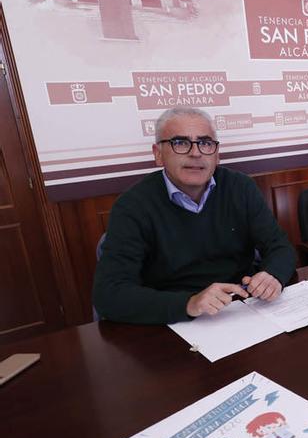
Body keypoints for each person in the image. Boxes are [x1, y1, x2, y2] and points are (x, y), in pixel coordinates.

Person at [93, 107, 296, 324]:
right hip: (173, 321)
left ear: (217, 155)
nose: (196, 152)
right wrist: (190, 303)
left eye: (205, 143)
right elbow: (109, 294)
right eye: (180, 143)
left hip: (240, 310)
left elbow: (280, 246)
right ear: (158, 154)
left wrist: (272, 274)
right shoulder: (132, 205)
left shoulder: (241, 187)